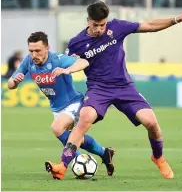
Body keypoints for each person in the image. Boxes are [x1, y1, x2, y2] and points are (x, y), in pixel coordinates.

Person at [47, 2, 182, 180]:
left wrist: (176, 19)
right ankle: (62, 166)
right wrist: (65, 70)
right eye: (95, 25)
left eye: (102, 24)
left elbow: (149, 26)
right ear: (88, 21)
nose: (99, 29)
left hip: (124, 86)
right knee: (85, 117)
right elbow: (72, 64)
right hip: (98, 89)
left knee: (150, 122)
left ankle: (158, 157)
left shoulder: (117, 27)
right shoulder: (76, 43)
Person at [7, 31, 115, 180]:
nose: (34, 54)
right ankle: (104, 152)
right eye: (31, 51)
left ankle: (73, 161)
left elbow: (84, 62)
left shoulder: (57, 59)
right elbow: (10, 84)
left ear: (47, 48)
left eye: (38, 50)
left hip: (73, 103)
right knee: (76, 138)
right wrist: (15, 81)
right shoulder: (29, 61)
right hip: (57, 108)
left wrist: (66, 70)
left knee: (57, 127)